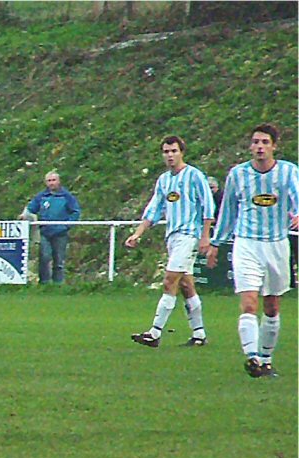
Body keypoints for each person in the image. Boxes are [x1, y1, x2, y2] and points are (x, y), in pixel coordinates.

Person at [206, 123, 299, 378]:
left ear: (274, 146)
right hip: (246, 243)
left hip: (277, 244)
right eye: (256, 142)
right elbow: (228, 211)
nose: (259, 147)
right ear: (250, 146)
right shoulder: (238, 174)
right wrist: (216, 243)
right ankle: (252, 357)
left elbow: (297, 197)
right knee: (248, 302)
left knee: (272, 306)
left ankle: (266, 359)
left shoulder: (289, 172)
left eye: (265, 142)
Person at [125, 135, 215, 348]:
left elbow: (208, 207)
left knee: (169, 280)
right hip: (173, 237)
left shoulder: (194, 176)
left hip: (189, 235)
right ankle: (199, 334)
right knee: (185, 284)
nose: (170, 155)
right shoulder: (164, 180)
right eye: (166, 152)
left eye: (173, 151)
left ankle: (155, 332)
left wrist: (205, 236)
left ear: (181, 152)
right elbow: (153, 209)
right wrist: (138, 233)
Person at [18, 171, 81, 284]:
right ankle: (44, 283)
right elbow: (31, 208)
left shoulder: (67, 197)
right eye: (49, 181)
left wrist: (67, 225)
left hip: (60, 232)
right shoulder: (41, 196)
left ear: (59, 181)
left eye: (53, 180)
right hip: (44, 232)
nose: (51, 183)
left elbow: (75, 212)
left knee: (59, 260)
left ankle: (58, 284)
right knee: (44, 257)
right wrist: (24, 216)